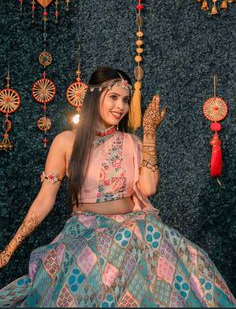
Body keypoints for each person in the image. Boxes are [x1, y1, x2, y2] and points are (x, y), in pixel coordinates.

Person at [0, 66, 235, 307]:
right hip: (85, 233)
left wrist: (150, 133)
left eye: (125, 100)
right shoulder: (66, 142)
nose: (120, 107)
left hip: (133, 231)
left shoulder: (131, 142)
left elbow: (149, 188)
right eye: (113, 97)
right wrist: (9, 249)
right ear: (93, 96)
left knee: (189, 268)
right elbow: (44, 199)